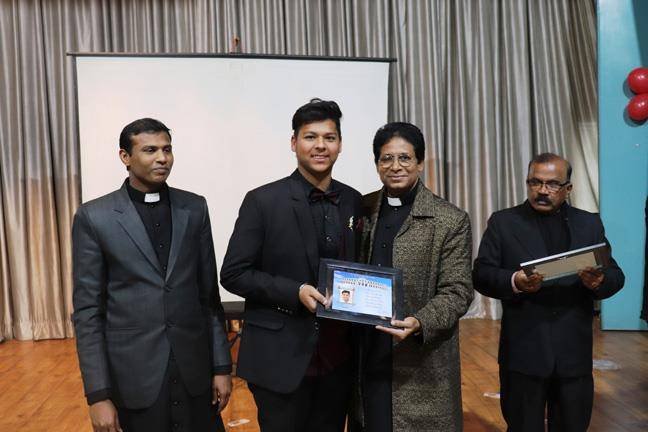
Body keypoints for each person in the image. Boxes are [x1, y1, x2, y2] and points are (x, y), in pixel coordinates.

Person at [72, 118, 232, 432]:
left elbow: (209, 298)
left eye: (167, 149)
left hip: (194, 372)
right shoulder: (94, 217)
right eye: (150, 150)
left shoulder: (194, 208)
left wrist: (222, 366)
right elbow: (88, 312)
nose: (162, 158)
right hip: (133, 377)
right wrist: (98, 395)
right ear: (125, 156)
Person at [220, 98, 363, 432]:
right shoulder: (262, 201)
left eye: (329, 137)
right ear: (294, 142)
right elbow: (233, 273)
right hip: (279, 359)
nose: (320, 145)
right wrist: (294, 291)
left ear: (340, 144)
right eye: (310, 137)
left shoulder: (354, 200)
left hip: (338, 358)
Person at [473, 153, 625, 431]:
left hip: (574, 355)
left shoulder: (589, 223)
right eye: (535, 182)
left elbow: (616, 276)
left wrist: (598, 282)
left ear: (568, 188)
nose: (542, 191)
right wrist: (515, 281)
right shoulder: (503, 222)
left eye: (553, 184)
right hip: (524, 353)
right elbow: (481, 274)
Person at [355, 122, 474, 431]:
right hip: (368, 350)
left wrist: (420, 322)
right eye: (386, 158)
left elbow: (458, 290)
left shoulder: (449, 219)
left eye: (405, 158)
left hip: (421, 356)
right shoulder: (362, 209)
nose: (395, 166)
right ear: (377, 164)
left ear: (420, 163)